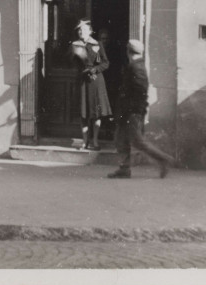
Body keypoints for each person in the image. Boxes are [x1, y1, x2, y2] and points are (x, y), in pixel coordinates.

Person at [106, 40, 171, 179]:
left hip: (132, 111)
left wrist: (135, 111)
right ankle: (124, 169)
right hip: (128, 111)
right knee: (120, 138)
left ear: (128, 51)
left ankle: (163, 159)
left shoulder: (137, 67)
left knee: (137, 140)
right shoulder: (136, 66)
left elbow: (141, 91)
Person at [69, 20, 111, 151]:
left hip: (96, 81)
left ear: (90, 31)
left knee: (96, 112)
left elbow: (105, 63)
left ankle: (95, 141)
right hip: (83, 81)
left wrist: (94, 70)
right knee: (84, 112)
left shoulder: (97, 44)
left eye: (85, 30)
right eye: (80, 30)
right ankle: (85, 141)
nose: (82, 32)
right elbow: (72, 63)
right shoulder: (75, 45)